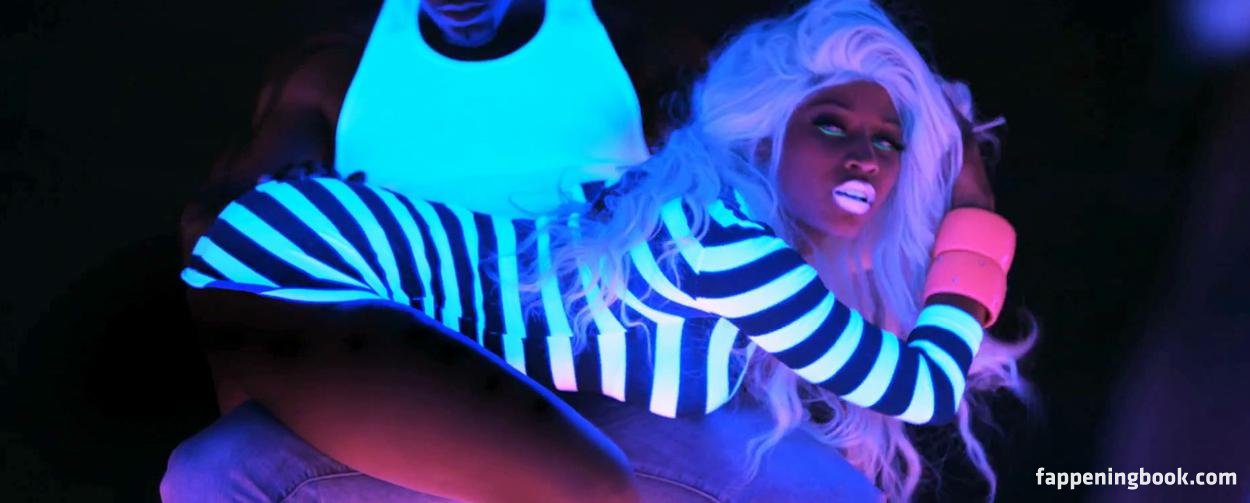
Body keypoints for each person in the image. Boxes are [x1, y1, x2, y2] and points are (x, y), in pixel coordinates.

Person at [164, 0, 1034, 501]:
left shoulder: (705, 209)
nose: (862, 159)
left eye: (888, 143)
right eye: (832, 126)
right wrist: (975, 211)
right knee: (590, 489)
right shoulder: (725, 242)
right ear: (767, 133)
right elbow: (921, 387)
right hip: (312, 268)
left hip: (335, 303)